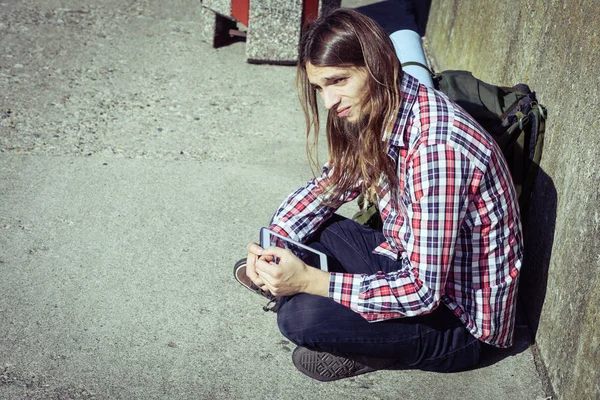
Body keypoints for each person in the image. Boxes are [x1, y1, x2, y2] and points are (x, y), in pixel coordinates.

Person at [234, 8, 523, 382]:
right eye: (320, 87)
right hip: (404, 255)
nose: (328, 102)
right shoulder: (384, 104)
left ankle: (368, 342)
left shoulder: (438, 151)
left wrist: (308, 282)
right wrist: (273, 242)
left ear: (376, 65)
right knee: (305, 233)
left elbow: (422, 291)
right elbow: (331, 186)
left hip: (460, 321)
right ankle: (303, 291)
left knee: (299, 317)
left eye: (338, 81)